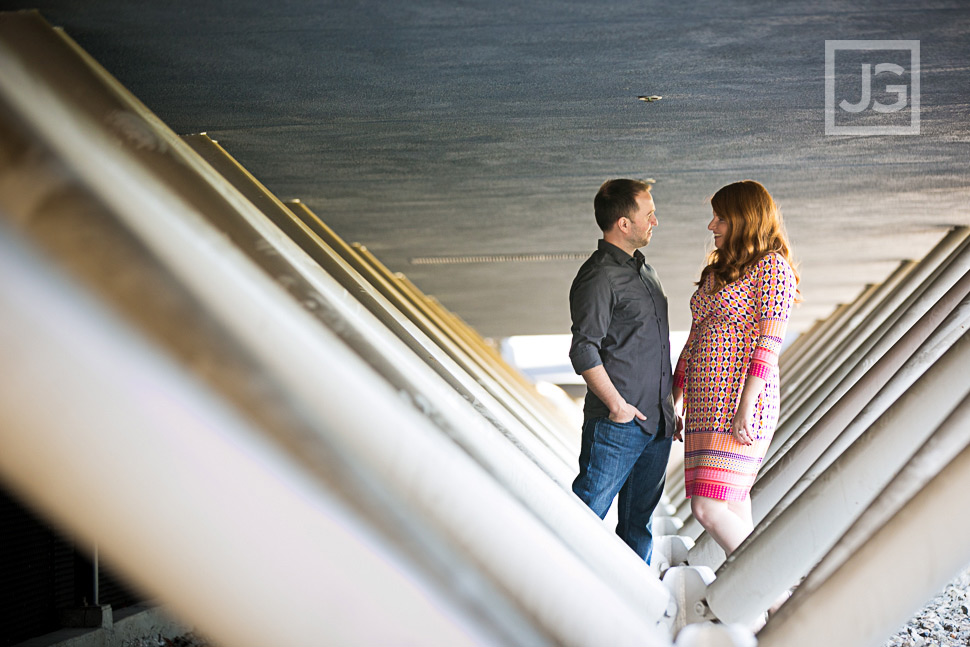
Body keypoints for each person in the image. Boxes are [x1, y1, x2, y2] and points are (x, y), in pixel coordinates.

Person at [673, 179, 799, 557]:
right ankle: (757, 607)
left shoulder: (773, 268)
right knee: (732, 505)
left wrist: (746, 407)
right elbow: (693, 342)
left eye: (720, 218)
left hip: (741, 404)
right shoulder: (716, 273)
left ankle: (773, 596)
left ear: (744, 220)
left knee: (706, 508)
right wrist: (674, 399)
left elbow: (768, 344)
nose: (712, 226)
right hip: (704, 407)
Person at [568, 178, 680, 564]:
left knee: (637, 528)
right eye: (648, 215)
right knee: (582, 519)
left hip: (657, 425)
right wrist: (617, 407)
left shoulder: (645, 272)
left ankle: (633, 615)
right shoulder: (599, 276)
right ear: (623, 224)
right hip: (619, 425)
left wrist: (669, 407)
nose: (656, 221)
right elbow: (584, 349)